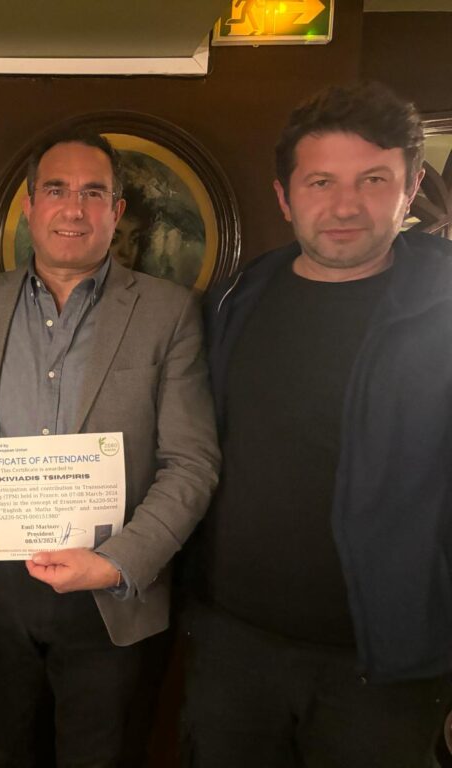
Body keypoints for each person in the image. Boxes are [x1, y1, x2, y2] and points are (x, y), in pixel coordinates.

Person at [185, 81, 452, 767]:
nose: (345, 205)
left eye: (373, 180)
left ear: (410, 189)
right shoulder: (237, 298)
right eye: (321, 181)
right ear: (285, 196)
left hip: (384, 666)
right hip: (231, 646)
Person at [0, 129, 220, 767]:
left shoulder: (169, 313)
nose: (74, 208)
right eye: (56, 190)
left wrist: (118, 564)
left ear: (116, 211)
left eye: (93, 192)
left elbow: (191, 463)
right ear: (30, 205)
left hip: (111, 595)